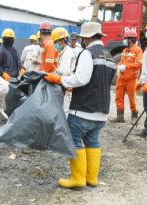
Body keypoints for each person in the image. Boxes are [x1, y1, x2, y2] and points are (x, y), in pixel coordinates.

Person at [44, 22, 116, 189]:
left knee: (75, 140)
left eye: (83, 38)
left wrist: (60, 80)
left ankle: (77, 179)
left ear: (88, 38)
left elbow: (81, 78)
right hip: (102, 109)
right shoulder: (109, 56)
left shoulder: (87, 53)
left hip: (83, 108)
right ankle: (91, 178)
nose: (82, 41)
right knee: (93, 140)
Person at [111, 30, 143, 124]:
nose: (124, 40)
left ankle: (134, 116)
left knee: (132, 98)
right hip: (122, 78)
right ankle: (120, 116)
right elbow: (121, 62)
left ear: (130, 39)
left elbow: (139, 63)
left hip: (131, 79)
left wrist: (126, 67)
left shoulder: (138, 50)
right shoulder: (124, 50)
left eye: (125, 38)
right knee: (118, 97)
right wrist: (118, 67)